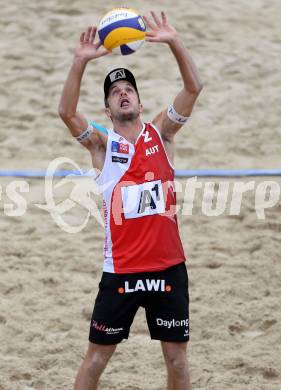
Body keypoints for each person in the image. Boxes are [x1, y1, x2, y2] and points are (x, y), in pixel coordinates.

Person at [59, 10, 202, 390]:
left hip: (168, 267)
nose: (123, 92)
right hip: (121, 271)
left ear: (138, 100)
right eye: (114, 91)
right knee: (97, 359)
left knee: (177, 361)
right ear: (108, 109)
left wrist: (173, 42)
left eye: (128, 89)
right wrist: (79, 62)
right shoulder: (103, 145)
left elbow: (193, 89)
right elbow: (67, 112)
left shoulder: (162, 133)